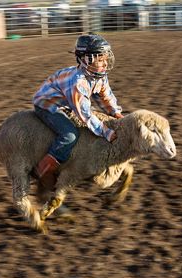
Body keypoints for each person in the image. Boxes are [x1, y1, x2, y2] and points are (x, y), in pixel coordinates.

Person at [33, 33, 123, 189]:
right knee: (70, 135)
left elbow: (106, 96)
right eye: (100, 59)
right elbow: (85, 114)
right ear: (86, 60)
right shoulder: (78, 82)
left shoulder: (100, 75)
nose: (105, 63)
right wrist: (106, 132)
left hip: (66, 103)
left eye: (105, 58)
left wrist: (116, 113)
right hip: (48, 104)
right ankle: (44, 169)